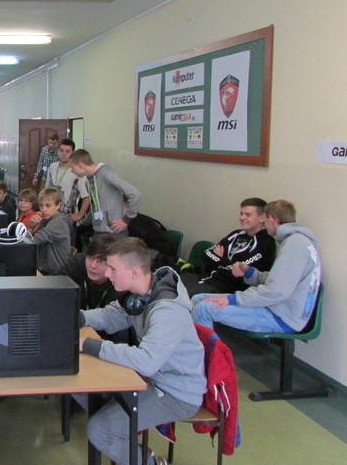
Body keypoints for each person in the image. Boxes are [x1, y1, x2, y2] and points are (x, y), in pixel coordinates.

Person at [79, 238, 205, 465]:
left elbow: (147, 361)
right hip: (151, 378)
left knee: (99, 430)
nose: (107, 274)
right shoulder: (139, 296)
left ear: (135, 271)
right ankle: (120, 429)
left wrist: (91, 346)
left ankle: (151, 462)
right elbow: (110, 316)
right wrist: (74, 316)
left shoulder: (167, 312)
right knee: (83, 387)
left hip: (174, 392)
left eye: (113, 268)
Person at [192, 199, 321, 334]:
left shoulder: (295, 245)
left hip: (281, 316)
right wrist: (250, 272)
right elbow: (278, 279)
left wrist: (234, 299)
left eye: (265, 220)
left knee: (204, 309)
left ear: (271, 219)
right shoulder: (293, 241)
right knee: (197, 299)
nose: (265, 225)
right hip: (273, 307)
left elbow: (276, 292)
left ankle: (209, 348)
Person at [182, 197, 276, 296]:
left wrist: (220, 260)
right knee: (172, 280)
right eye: (241, 214)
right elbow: (207, 254)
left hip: (225, 289)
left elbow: (240, 270)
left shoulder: (266, 243)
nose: (242, 218)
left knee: (178, 294)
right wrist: (225, 263)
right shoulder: (236, 234)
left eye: (248, 215)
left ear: (262, 218)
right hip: (205, 277)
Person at [69, 149, 141, 241]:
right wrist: (83, 221)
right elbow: (96, 205)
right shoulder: (88, 181)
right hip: (99, 231)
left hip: (114, 233)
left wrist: (126, 220)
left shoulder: (106, 175)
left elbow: (135, 194)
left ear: (80, 165)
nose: (72, 171)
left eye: (72, 167)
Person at [45, 138, 90, 227]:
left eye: (67, 151)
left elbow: (86, 197)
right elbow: (46, 190)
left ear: (73, 153)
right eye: (61, 150)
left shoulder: (77, 171)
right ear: (57, 151)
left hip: (68, 216)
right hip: (51, 214)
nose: (64, 154)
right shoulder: (52, 167)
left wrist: (79, 215)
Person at [28, 188, 73, 276]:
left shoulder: (58, 222)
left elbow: (33, 241)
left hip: (55, 273)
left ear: (58, 205)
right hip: (46, 269)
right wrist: (31, 226)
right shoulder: (46, 220)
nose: (43, 210)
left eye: (48, 206)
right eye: (41, 206)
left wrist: (29, 229)